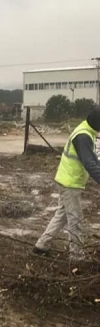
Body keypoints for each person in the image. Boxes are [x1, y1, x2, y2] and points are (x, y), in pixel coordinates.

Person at [33, 106, 100, 262]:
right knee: (75, 219)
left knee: (61, 216)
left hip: (67, 180)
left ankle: (41, 246)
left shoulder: (86, 131)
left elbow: (93, 160)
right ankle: (77, 256)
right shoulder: (83, 136)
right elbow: (90, 163)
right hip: (70, 183)